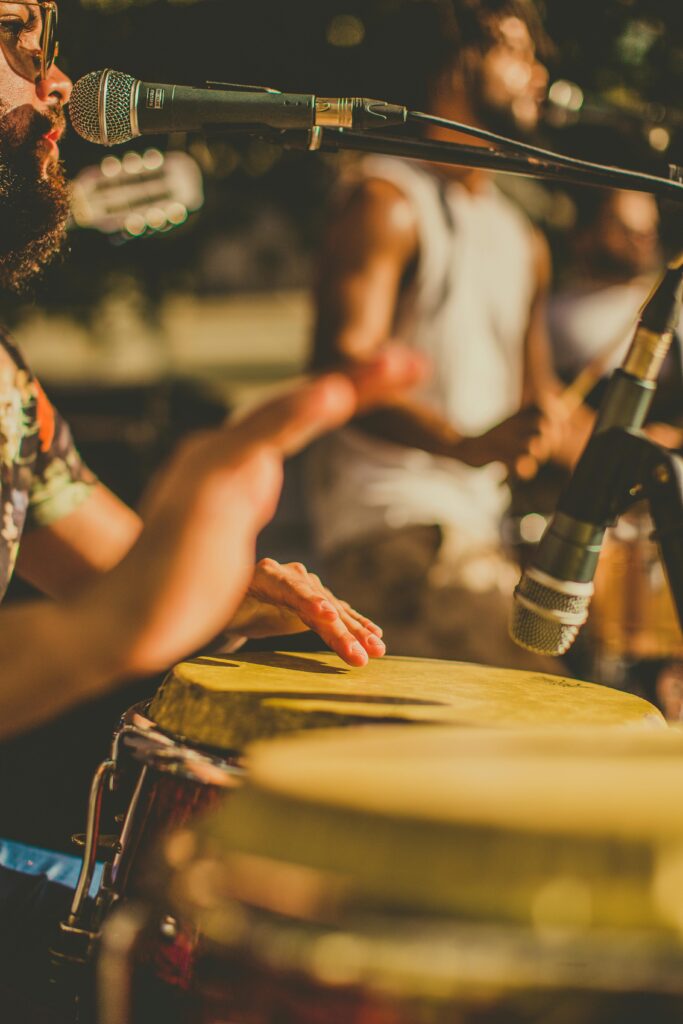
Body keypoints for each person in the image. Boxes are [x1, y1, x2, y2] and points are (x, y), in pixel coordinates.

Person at [0, 2, 425, 1012]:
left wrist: (235, 584)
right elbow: (121, 609)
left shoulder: (6, 393)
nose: (58, 84)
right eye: (16, 39)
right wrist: (113, 628)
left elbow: (124, 569)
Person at [307, 0, 586, 670]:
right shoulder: (386, 201)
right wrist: (463, 445)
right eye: (514, 53)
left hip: (472, 537)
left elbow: (541, 405)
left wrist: (643, 454)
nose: (537, 75)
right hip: (394, 533)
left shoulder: (521, 238)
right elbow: (342, 372)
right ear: (455, 70)